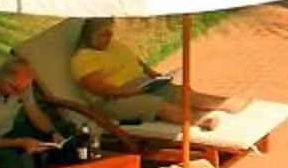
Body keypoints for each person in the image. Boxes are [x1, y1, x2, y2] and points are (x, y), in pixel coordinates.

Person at [67, 17, 224, 131]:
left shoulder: (113, 45)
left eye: (110, 32)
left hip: (140, 86)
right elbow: (98, 88)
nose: (110, 37)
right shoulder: (83, 58)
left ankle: (229, 104)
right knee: (154, 103)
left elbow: (137, 61)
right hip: (112, 101)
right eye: (104, 34)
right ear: (91, 35)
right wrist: (127, 92)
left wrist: (154, 75)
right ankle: (202, 121)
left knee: (179, 92)